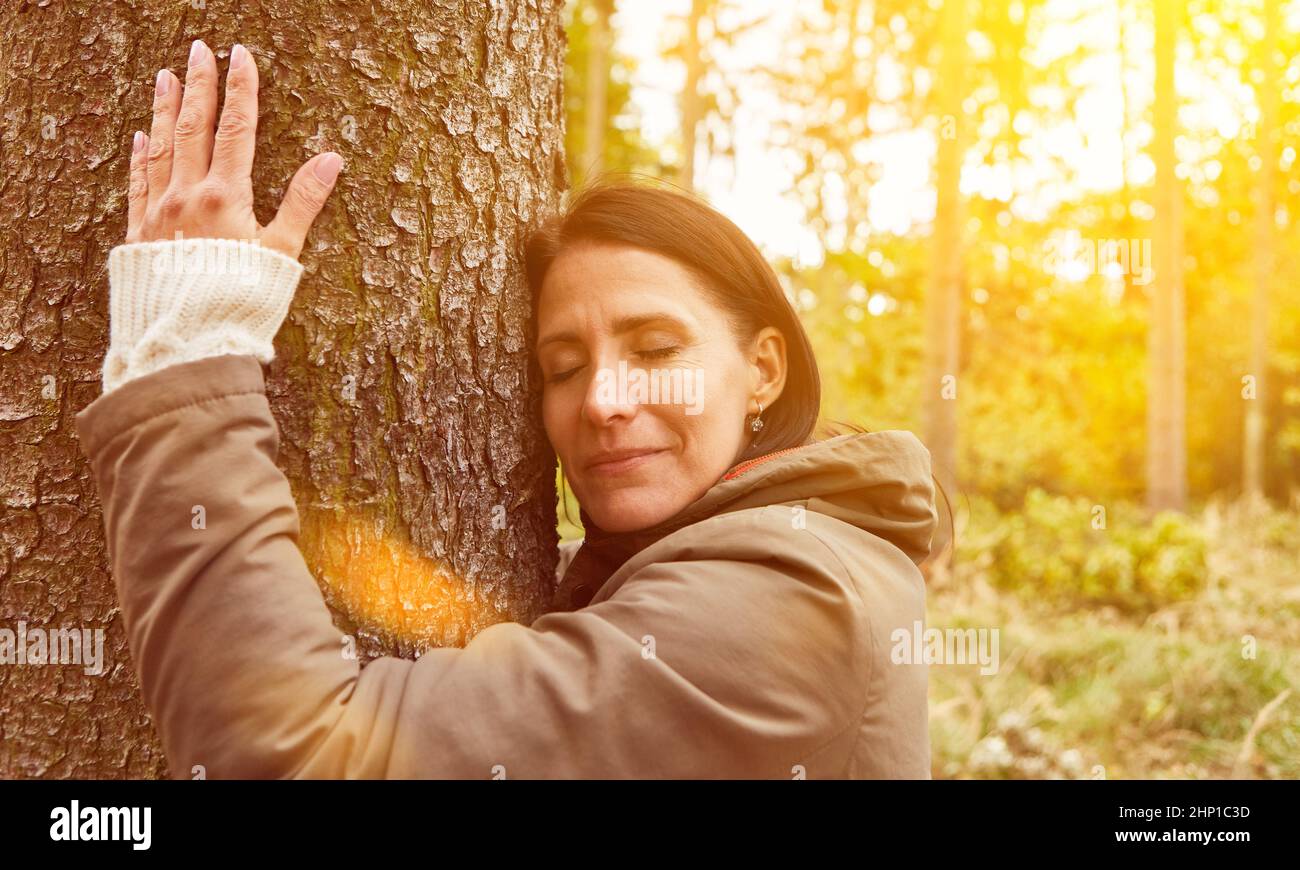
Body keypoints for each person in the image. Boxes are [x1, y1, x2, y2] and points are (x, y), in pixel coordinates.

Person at [75, 40, 938, 778]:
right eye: (562, 366)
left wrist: (183, 350)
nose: (602, 401)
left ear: (764, 371)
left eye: (656, 350)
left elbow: (304, 754)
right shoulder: (772, 555)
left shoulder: (792, 606)